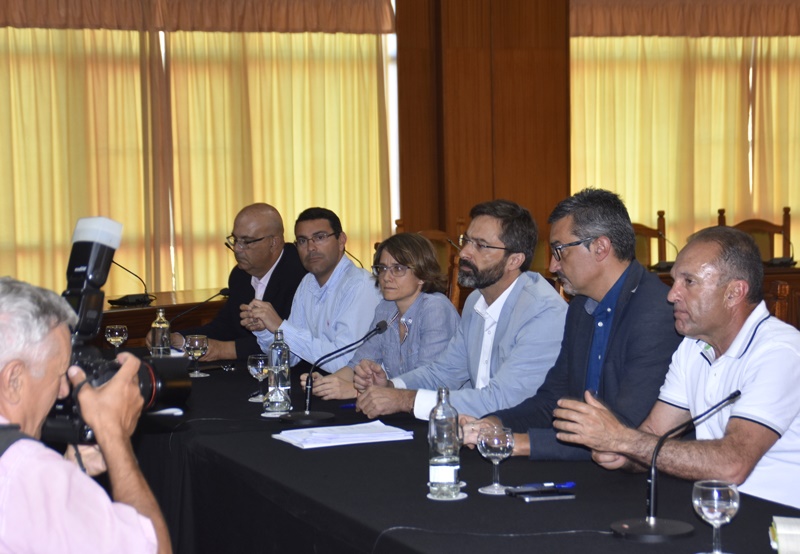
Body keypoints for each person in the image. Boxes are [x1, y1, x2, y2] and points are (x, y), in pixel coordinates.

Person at [552, 226, 800, 508]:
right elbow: (654, 432)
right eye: (674, 281)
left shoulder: (780, 352)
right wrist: (620, 453)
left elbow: (732, 465)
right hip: (718, 507)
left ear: (734, 292)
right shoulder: (693, 346)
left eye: (689, 282)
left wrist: (624, 440)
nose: (672, 295)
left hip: (778, 517)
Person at [460, 188, 682, 460]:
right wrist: (493, 423)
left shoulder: (657, 313)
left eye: (559, 251)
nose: (552, 266)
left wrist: (514, 442)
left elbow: (624, 432)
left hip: (633, 473)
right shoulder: (580, 307)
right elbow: (552, 402)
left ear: (600, 248)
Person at [354, 199, 568, 420]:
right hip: (477, 428)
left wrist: (404, 400)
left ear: (514, 260)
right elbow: (444, 372)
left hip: (523, 433)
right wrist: (391, 386)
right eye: (466, 241)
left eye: (481, 245)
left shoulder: (542, 312)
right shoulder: (476, 300)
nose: (464, 252)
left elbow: (501, 400)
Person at [0, 277, 171, 553]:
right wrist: (112, 434)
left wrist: (69, 473)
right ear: (14, 379)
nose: (63, 392)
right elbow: (156, 549)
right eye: (59, 374)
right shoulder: (28, 473)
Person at [300, 233, 461, 399]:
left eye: (398, 269)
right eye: (382, 268)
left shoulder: (435, 309)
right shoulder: (386, 309)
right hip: (400, 404)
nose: (386, 277)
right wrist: (327, 383)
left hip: (445, 407)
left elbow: (430, 381)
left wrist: (356, 391)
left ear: (422, 275)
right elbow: (358, 363)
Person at [244, 207, 382, 371]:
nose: (310, 247)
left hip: (356, 384)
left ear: (341, 240)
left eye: (320, 237)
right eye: (302, 241)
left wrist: (280, 327)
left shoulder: (360, 285)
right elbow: (290, 358)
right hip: (318, 380)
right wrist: (265, 331)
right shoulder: (308, 282)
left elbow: (345, 362)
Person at [169, 203, 306, 361]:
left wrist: (223, 350)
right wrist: (180, 339)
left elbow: (294, 342)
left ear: (273, 242)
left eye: (246, 242)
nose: (237, 249)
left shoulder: (301, 274)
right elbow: (225, 327)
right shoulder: (240, 275)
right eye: (235, 239)